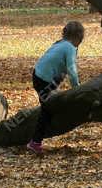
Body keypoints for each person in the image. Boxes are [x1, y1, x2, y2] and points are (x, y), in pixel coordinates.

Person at [27, 21, 85, 155]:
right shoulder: (69, 47)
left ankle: (52, 95)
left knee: (52, 95)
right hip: (43, 79)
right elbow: (72, 69)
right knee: (47, 109)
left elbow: (61, 67)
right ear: (78, 37)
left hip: (38, 74)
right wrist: (77, 88)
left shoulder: (59, 43)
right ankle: (35, 142)